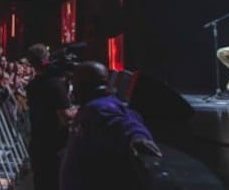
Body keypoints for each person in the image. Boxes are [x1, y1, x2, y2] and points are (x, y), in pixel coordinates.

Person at [60, 61, 161, 190]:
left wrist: (137, 137)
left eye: (75, 83)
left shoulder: (98, 108)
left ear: (84, 86)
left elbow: (127, 123)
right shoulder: (93, 106)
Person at [25, 44, 71, 190]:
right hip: (53, 147)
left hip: (38, 144)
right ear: (47, 58)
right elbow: (65, 118)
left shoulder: (32, 85)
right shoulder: (55, 85)